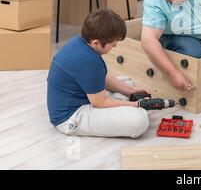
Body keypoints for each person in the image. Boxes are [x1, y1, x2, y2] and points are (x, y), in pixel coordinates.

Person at [47, 9, 156, 138]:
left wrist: (131, 90)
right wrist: (136, 104)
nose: (115, 46)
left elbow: (100, 78)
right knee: (139, 120)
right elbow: (99, 103)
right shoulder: (89, 61)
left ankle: (120, 104)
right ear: (96, 43)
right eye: (112, 43)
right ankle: (122, 107)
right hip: (71, 117)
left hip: (84, 97)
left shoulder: (80, 43)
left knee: (126, 82)